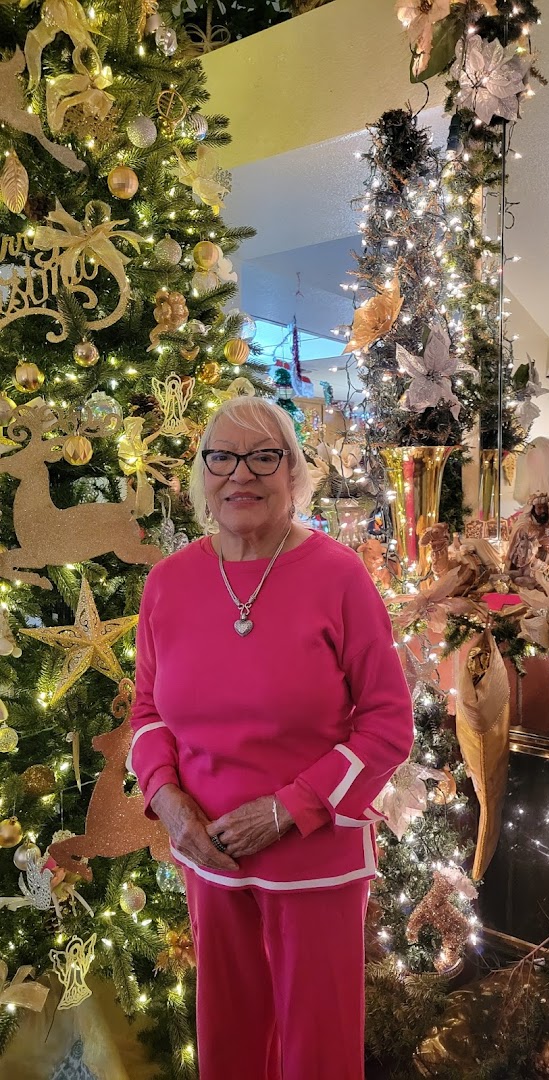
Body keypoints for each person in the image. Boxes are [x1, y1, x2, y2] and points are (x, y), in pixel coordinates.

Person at [128, 395, 413, 1080]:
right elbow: (147, 715)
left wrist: (288, 808)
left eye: (263, 457)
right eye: (222, 458)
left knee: (317, 1053)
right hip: (210, 858)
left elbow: (387, 724)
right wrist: (168, 803)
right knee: (229, 1045)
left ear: (293, 473)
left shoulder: (338, 576)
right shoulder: (168, 583)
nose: (240, 475)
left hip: (315, 861)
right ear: (202, 475)